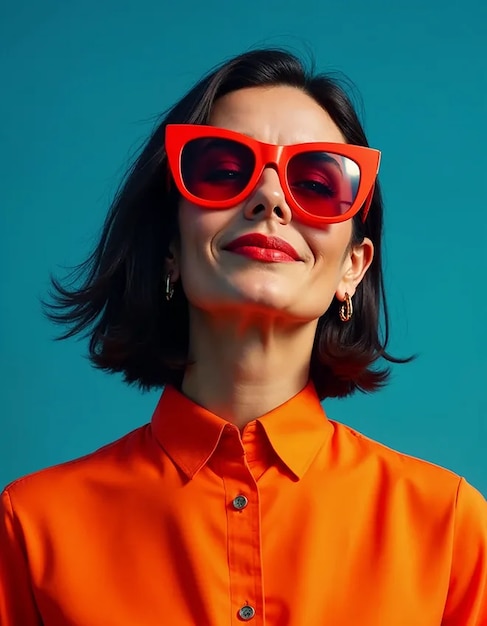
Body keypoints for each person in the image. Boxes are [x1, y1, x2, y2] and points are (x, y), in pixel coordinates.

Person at [0, 48, 485, 626]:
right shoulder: (30, 528)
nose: (271, 199)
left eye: (316, 182)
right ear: (171, 249)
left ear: (353, 266)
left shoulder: (449, 525)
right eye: (225, 172)